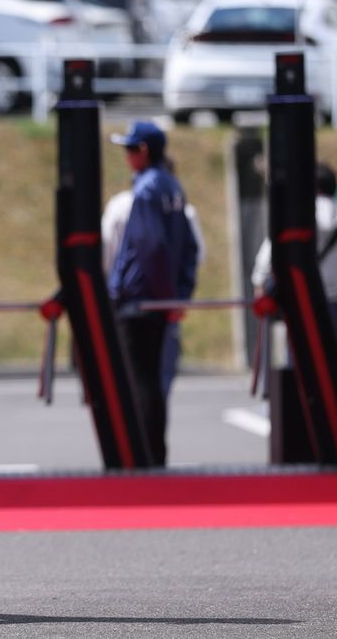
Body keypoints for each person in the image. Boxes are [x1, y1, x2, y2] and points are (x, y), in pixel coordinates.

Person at [107, 121, 198, 466]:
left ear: (144, 151)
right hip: (160, 300)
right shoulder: (172, 187)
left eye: (130, 149)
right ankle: (154, 451)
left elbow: (150, 246)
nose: (127, 157)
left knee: (139, 379)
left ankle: (144, 453)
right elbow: (187, 248)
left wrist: (159, 295)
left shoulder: (145, 190)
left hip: (140, 301)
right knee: (151, 378)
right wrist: (179, 296)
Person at [101, 161, 205, 401]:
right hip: (166, 305)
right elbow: (195, 253)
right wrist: (179, 296)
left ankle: (136, 434)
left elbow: (105, 255)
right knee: (160, 379)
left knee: (131, 377)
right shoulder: (182, 208)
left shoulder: (119, 206)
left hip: (128, 304)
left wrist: (113, 288)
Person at [251, 162, 337, 362]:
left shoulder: (299, 216)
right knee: (336, 365)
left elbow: (270, 252)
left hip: (302, 299)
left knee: (300, 365)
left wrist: (259, 282)